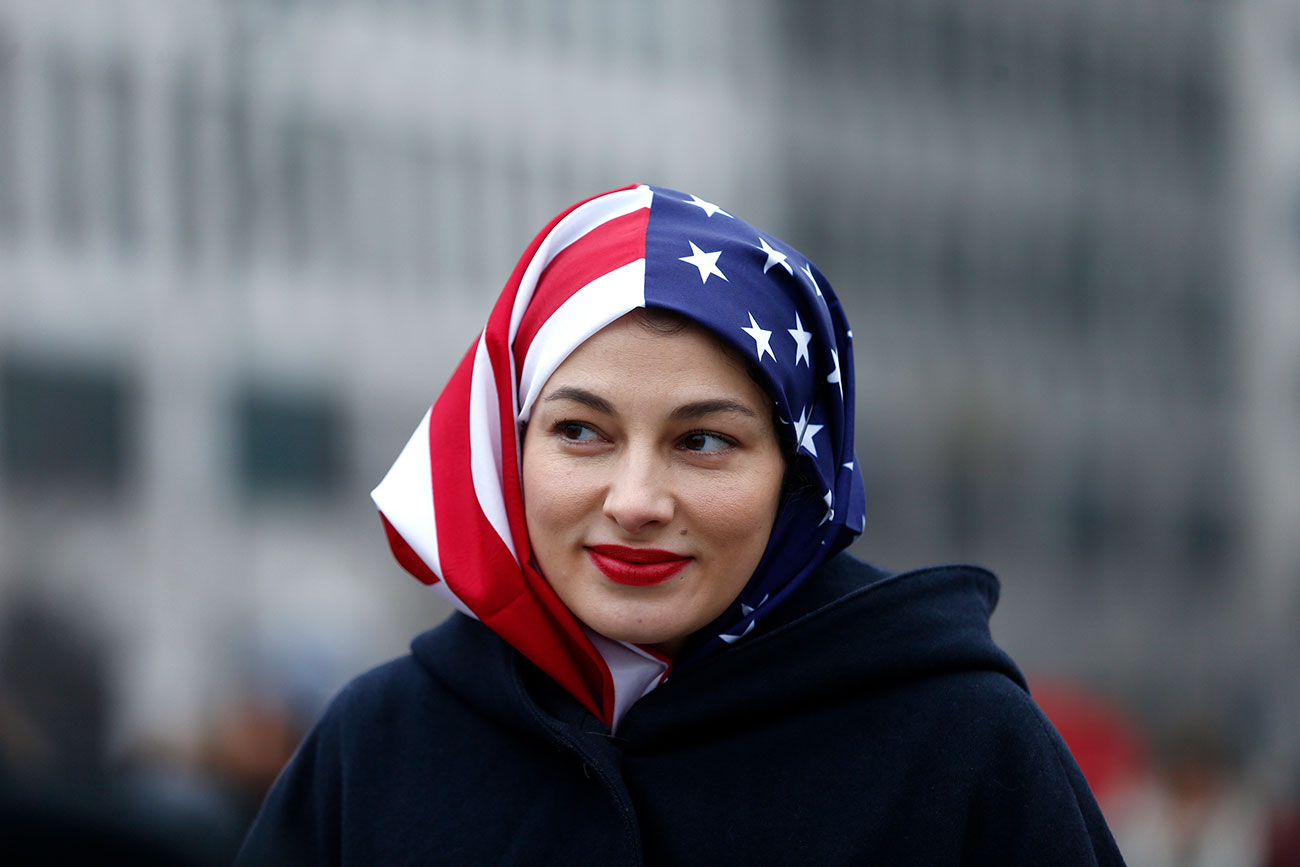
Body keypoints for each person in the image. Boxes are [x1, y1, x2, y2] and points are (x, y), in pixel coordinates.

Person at [236, 184, 1126, 865]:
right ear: (510, 449)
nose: (635, 499)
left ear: (799, 473)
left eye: (703, 440)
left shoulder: (963, 746)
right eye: (580, 431)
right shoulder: (378, 748)